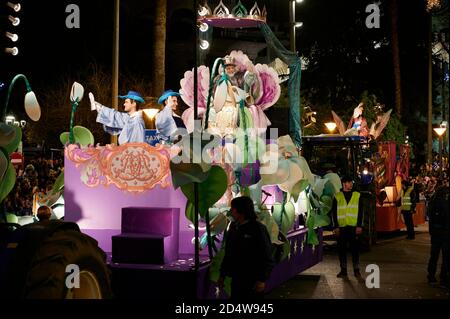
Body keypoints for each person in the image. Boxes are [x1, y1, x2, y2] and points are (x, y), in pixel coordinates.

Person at [218, 196, 274, 299]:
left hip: (253, 280)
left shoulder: (258, 229)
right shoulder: (233, 228)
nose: (231, 211)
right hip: (236, 278)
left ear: (241, 210)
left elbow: (267, 255)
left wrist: (262, 279)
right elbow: (228, 253)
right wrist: (222, 275)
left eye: (233, 208)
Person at [209, 55, 256, 138]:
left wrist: (250, 73)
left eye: (232, 68)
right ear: (224, 69)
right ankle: (216, 134)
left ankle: (232, 133)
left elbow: (246, 85)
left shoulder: (239, 78)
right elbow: (214, 92)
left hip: (235, 104)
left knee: (233, 112)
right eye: (228, 68)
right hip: (221, 105)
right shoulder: (218, 79)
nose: (230, 70)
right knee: (211, 112)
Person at [331, 175, 364, 278]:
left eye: (351, 182)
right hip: (341, 228)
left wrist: (359, 226)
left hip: (353, 227)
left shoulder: (357, 195)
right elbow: (334, 213)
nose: (351, 184)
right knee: (342, 250)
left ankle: (356, 270)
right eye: (349, 182)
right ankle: (343, 271)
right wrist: (335, 227)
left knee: (355, 249)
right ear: (344, 183)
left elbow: (360, 212)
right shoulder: (337, 196)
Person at [427, 183, 449, 288]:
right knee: (445, 258)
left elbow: (429, 217)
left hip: (435, 233)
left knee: (434, 256)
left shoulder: (432, 202)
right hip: (445, 234)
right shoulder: (446, 203)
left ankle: (431, 276)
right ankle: (443, 279)